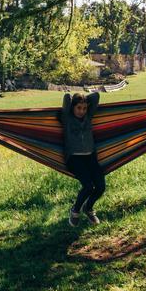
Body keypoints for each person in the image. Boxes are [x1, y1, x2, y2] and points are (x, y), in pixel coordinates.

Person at [60, 91, 105, 225]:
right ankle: (75, 211)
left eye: (85, 108)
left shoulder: (88, 117)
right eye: (78, 107)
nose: (82, 111)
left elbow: (96, 96)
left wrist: (85, 99)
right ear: (72, 107)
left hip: (90, 157)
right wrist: (75, 98)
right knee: (88, 186)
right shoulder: (67, 119)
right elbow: (67, 97)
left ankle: (88, 208)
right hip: (74, 159)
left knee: (101, 187)